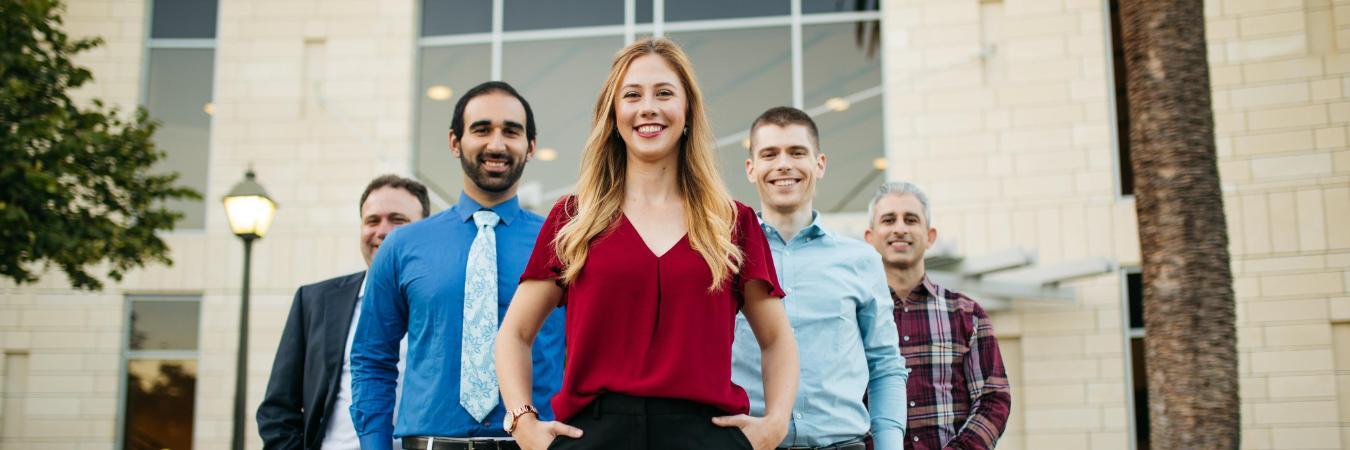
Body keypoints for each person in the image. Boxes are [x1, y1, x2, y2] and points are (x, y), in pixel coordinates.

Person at [494, 38, 799, 450]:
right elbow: (515, 332)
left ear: (687, 111)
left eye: (664, 94)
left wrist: (775, 423)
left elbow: (777, 339)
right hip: (594, 437)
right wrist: (523, 422)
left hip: (705, 436)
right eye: (632, 95)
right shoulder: (574, 220)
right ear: (613, 114)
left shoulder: (733, 222)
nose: (648, 107)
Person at [349, 81, 566, 450]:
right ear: (454, 142)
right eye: (482, 130)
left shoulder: (563, 243)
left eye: (511, 132)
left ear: (530, 147)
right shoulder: (403, 246)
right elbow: (372, 359)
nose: (496, 144)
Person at [731, 107, 909, 450]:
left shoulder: (861, 261)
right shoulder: (724, 257)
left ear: (820, 164)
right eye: (770, 154)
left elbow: (885, 365)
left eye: (797, 152)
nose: (784, 164)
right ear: (751, 168)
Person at [257, 174, 429, 450]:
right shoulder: (313, 301)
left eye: (398, 220)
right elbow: (277, 410)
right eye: (372, 220)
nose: (382, 231)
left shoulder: (447, 305)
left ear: (424, 231)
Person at [863, 182, 1011, 450]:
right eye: (888, 220)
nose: (900, 228)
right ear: (870, 237)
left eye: (911, 219)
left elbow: (993, 399)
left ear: (930, 236)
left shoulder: (968, 315)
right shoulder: (853, 315)